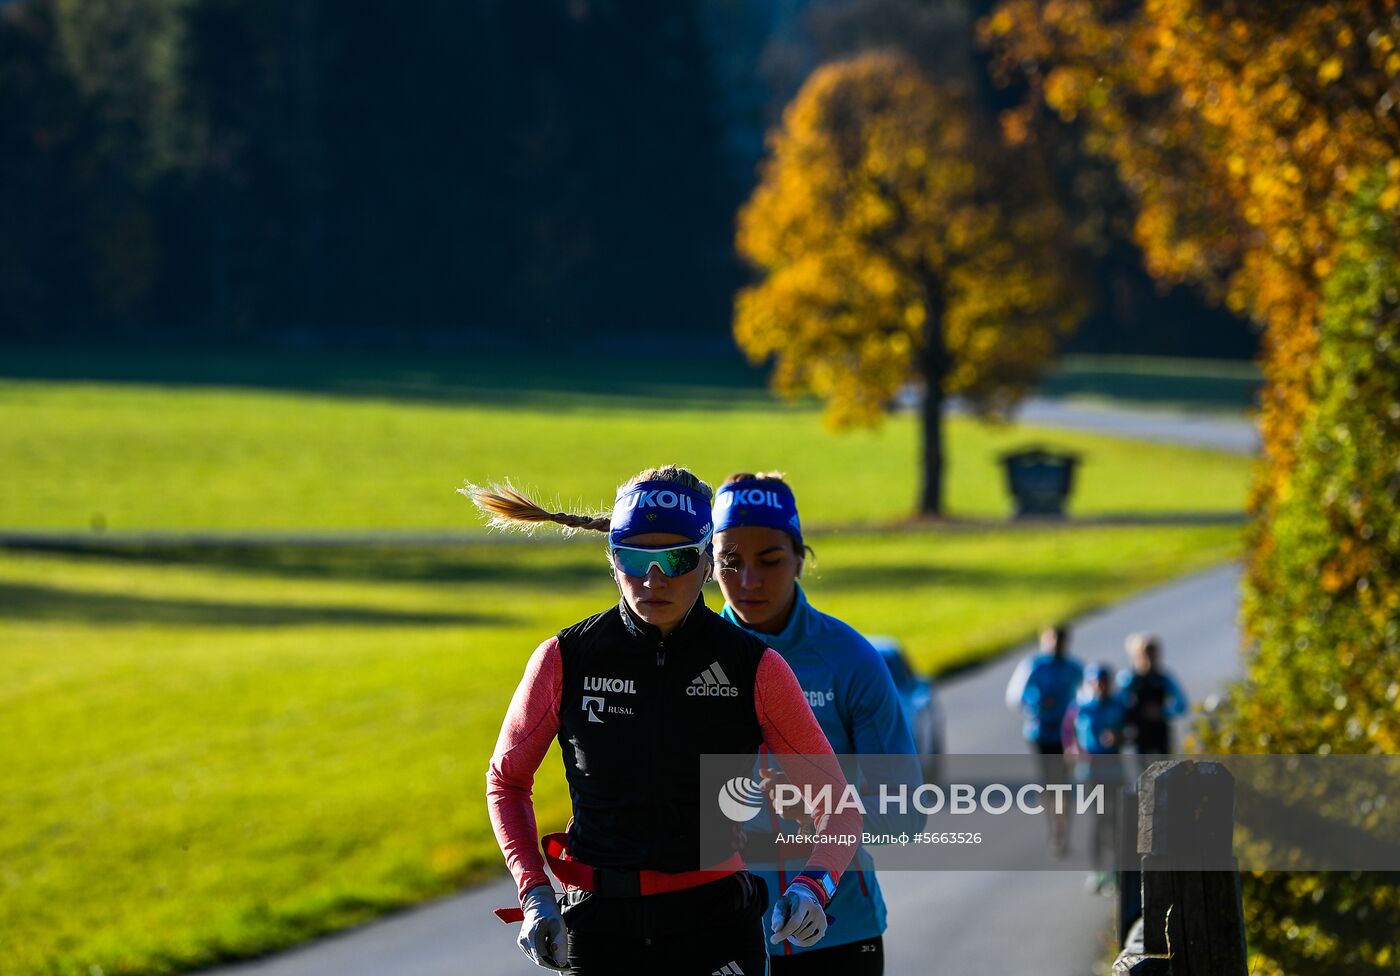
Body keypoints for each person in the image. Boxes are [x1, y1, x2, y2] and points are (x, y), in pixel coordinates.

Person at [471, 466, 860, 976]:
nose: (654, 580)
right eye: (636, 558)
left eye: (676, 560)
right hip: (598, 927)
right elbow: (507, 781)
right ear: (612, 558)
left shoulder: (754, 666)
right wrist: (535, 893)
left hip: (715, 926)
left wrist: (814, 887)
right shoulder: (566, 657)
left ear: (705, 562)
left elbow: (836, 806)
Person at [712, 472, 922, 976]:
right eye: (730, 563)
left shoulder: (850, 659)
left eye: (770, 561)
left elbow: (906, 812)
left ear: (801, 558)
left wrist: (817, 814)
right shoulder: (691, 657)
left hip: (841, 929)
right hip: (722, 933)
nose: (749, 582)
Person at [1004, 624, 1084, 856]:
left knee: (1063, 782)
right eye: (1051, 640)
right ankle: (1052, 824)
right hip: (1040, 732)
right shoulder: (1034, 666)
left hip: (1066, 732)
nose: (1055, 646)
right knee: (1049, 782)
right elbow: (1015, 697)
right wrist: (1037, 705)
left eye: (1060, 641)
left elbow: (1085, 696)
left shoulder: (1073, 668)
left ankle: (1062, 829)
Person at [1062, 663, 1127, 893]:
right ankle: (1098, 871)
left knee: (1116, 822)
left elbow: (1130, 731)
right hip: (1090, 773)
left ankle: (1117, 872)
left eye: (1104, 682)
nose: (1100, 686)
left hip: (1114, 769)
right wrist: (1073, 750)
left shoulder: (1118, 706)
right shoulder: (1079, 708)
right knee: (1099, 822)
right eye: (1095, 682)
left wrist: (1119, 736)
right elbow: (1068, 733)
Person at [1117, 633, 1189, 755]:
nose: (1150, 659)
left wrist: (1163, 712)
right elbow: (1118, 704)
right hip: (1139, 732)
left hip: (1160, 730)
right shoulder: (1128, 679)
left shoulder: (1164, 678)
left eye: (1153, 654)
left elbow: (1181, 704)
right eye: (1145, 655)